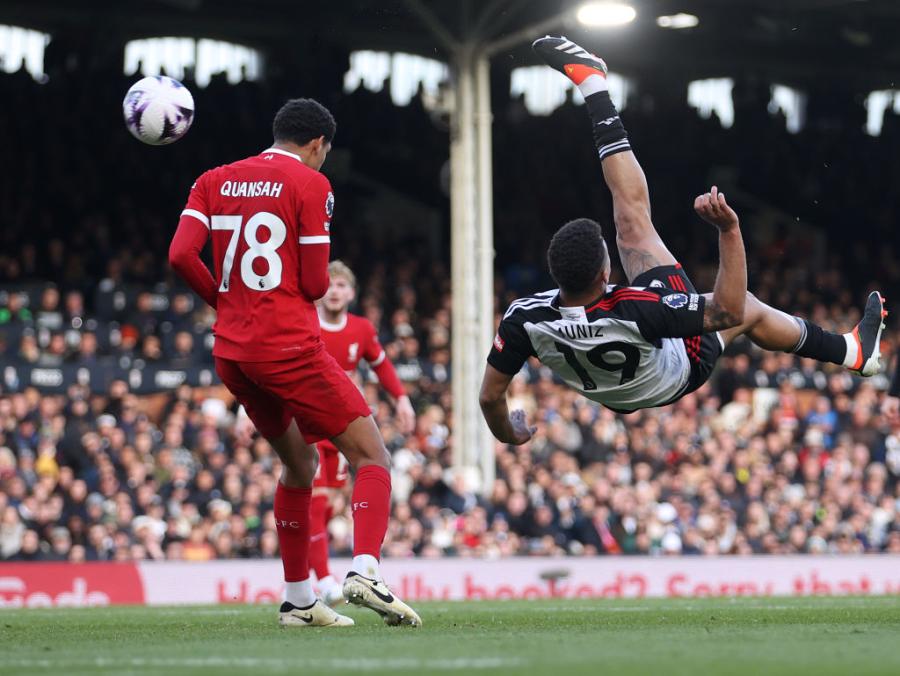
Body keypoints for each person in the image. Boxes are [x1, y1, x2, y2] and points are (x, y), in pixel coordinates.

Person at [479, 37, 887, 445]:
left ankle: (593, 83)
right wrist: (729, 231)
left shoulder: (524, 320)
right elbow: (727, 310)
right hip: (680, 371)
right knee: (744, 307)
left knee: (632, 225)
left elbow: (490, 398)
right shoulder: (638, 310)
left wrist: (510, 434)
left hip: (616, 390)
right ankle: (851, 351)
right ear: (606, 272)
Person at [169, 98, 421, 627]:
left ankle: (299, 599)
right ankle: (366, 571)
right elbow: (314, 283)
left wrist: (224, 301)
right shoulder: (312, 184)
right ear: (318, 144)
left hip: (233, 353)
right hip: (288, 347)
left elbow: (179, 255)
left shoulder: (213, 178)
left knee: (298, 465)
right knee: (373, 457)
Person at [311, 260, 416, 605]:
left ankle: (306, 580)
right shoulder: (306, 324)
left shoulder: (361, 329)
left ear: (351, 293)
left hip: (342, 425)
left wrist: (401, 399)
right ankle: (321, 580)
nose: (335, 291)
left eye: (342, 285)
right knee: (315, 499)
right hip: (307, 420)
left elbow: (381, 364)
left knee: (327, 504)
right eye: (330, 284)